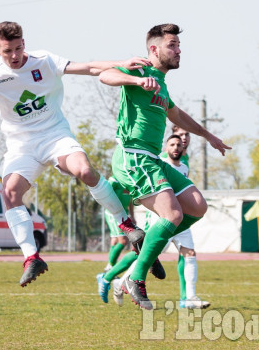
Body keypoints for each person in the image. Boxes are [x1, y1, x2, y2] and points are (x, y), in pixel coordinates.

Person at [0, 21, 149, 287]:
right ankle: (31, 257)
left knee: (85, 170)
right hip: (22, 146)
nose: (14, 56)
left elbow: (88, 68)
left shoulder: (44, 60)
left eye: (18, 48)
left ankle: (126, 223)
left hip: (55, 136)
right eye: (8, 51)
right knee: (10, 192)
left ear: (24, 44)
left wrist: (122, 62)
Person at [99, 23, 230, 309]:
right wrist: (134, 80)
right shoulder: (140, 69)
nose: (178, 50)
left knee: (196, 206)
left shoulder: (161, 81)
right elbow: (105, 75)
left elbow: (177, 114)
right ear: (154, 49)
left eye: (179, 45)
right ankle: (136, 276)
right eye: (172, 45)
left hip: (151, 158)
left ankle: (135, 265)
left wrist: (208, 135)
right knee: (171, 215)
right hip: (133, 156)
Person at [157, 133, 210, 309]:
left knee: (190, 254)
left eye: (180, 144)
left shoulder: (184, 168)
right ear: (166, 147)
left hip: (181, 221)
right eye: (173, 144)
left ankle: (190, 297)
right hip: (163, 219)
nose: (177, 147)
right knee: (147, 256)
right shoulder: (160, 164)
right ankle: (118, 280)